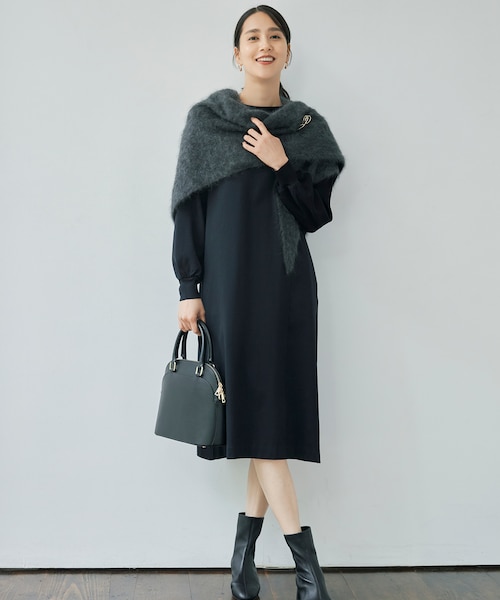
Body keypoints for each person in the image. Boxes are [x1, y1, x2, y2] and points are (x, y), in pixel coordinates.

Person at [171, 5, 345, 600]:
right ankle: (308, 574)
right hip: (228, 291)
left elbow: (315, 215)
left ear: (288, 52)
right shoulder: (208, 122)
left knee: (263, 424)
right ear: (237, 53)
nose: (263, 44)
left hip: (288, 289)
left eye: (275, 36)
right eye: (252, 37)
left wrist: (282, 164)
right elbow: (188, 211)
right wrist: (188, 288)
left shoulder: (306, 128)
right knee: (260, 422)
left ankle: (243, 566)